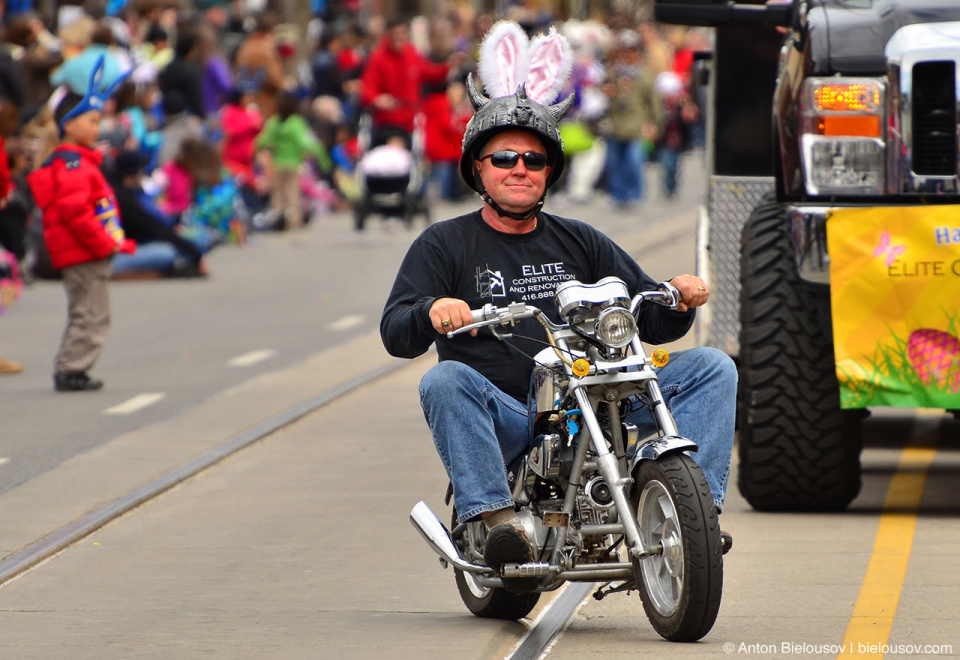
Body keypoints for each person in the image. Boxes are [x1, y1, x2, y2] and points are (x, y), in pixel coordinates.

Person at [380, 22, 735, 590]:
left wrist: (680, 294)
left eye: (533, 159)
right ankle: (496, 519)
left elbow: (648, 314)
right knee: (444, 380)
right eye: (504, 159)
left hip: (593, 402)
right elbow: (396, 331)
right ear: (478, 169)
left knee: (714, 368)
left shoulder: (581, 240)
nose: (519, 168)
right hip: (514, 416)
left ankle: (693, 516)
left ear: (549, 172)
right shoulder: (443, 244)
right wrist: (431, 310)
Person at [26, 61, 135, 391]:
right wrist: (103, 244)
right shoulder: (74, 165)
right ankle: (71, 369)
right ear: (69, 124)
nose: (97, 128)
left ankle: (73, 367)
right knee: (92, 314)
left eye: (99, 121)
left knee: (86, 311)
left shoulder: (76, 161)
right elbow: (76, 213)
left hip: (81, 252)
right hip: (84, 253)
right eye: (91, 121)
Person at [255, 91, 331, 230]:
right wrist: (323, 160)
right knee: (292, 194)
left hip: (277, 164)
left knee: (278, 195)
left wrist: (261, 148)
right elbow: (308, 142)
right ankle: (293, 221)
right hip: (293, 164)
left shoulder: (274, 122)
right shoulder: (296, 123)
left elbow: (263, 141)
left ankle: (278, 218)